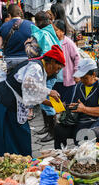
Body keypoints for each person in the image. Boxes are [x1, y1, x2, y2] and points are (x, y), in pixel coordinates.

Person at [0, 45, 65, 158]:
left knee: (21, 135)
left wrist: (52, 104)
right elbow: (28, 85)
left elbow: (33, 94)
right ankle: (14, 161)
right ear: (51, 62)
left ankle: (22, 160)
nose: (57, 71)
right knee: (12, 135)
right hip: (7, 103)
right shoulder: (35, 67)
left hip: (14, 103)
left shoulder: (40, 67)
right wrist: (49, 91)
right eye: (58, 67)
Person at [53, 59, 99, 149]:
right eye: (81, 77)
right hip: (83, 120)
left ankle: (87, 159)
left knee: (87, 135)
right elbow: (74, 105)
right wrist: (62, 109)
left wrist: (84, 109)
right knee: (58, 129)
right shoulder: (79, 86)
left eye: (85, 78)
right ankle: (60, 155)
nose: (82, 80)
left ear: (93, 75)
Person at [24, 11, 61, 142]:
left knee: (46, 103)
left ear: (38, 22)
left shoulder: (42, 35)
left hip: (48, 73)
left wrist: (27, 44)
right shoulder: (49, 33)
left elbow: (32, 52)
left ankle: (53, 131)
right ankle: (48, 127)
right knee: (43, 102)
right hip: (49, 72)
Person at [0, 4, 33, 72]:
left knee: (12, 81)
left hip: (10, 60)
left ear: (9, 15)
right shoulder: (31, 24)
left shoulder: (3, 26)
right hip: (27, 59)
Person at [52, 20, 80, 104]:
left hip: (68, 80)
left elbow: (77, 58)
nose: (54, 32)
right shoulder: (53, 41)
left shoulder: (68, 43)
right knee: (57, 104)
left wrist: (76, 73)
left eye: (56, 30)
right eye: (52, 30)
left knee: (67, 104)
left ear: (62, 31)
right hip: (55, 80)